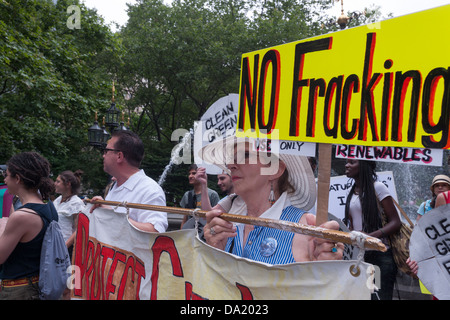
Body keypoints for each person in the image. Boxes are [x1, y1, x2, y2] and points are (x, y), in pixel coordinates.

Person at [201, 136, 344, 265]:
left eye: (244, 155)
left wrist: (324, 267)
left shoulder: (305, 230)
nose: (230, 165)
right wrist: (215, 253)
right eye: (230, 159)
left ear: (275, 169)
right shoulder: (223, 224)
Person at [0, 152, 57, 300]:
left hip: (18, 289)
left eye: (6, 175)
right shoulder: (48, 206)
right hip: (37, 283)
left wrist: (3, 226)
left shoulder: (22, 216)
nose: (5, 180)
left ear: (17, 178)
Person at [343, 159, 401, 300]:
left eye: (352, 162)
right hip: (360, 256)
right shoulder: (352, 192)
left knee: (378, 297)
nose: (346, 165)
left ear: (364, 165)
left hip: (381, 256)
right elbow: (353, 225)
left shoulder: (378, 187)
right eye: (347, 162)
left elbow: (396, 222)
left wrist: (369, 237)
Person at [90, 130, 167, 233]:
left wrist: (112, 215)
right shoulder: (116, 185)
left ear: (119, 156)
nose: (103, 155)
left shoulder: (150, 189)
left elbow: (155, 231)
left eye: (106, 151)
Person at [180, 164, 220, 239]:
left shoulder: (212, 195)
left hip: (206, 235)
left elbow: (216, 218)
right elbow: (185, 218)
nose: (190, 176)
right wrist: (181, 235)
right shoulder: (187, 195)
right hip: (189, 234)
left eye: (194, 173)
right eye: (189, 174)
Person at [53, 170, 85, 256]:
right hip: (53, 245)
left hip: (65, 249)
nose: (55, 183)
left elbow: (79, 230)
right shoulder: (57, 200)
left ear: (68, 184)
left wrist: (65, 246)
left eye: (58, 181)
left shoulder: (76, 203)